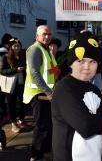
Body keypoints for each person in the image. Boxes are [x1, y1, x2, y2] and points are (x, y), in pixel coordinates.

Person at [51, 33, 102, 161]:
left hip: (93, 155)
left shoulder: (94, 89)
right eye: (81, 61)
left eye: (92, 61)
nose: (87, 67)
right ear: (70, 63)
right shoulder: (65, 88)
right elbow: (85, 126)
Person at [23, 25, 58, 161]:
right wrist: (49, 93)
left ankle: (45, 152)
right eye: (44, 34)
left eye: (49, 34)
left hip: (45, 93)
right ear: (37, 35)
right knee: (41, 125)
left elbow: (50, 71)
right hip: (38, 94)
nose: (47, 36)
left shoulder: (46, 50)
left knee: (48, 124)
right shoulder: (35, 49)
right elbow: (35, 73)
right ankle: (35, 156)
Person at [0, 38, 25, 133]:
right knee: (11, 105)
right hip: (10, 85)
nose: (17, 47)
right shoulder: (5, 57)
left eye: (18, 46)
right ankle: (13, 124)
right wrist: (15, 70)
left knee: (24, 103)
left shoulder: (22, 56)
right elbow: (2, 71)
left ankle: (21, 120)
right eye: (14, 46)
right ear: (10, 47)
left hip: (21, 84)